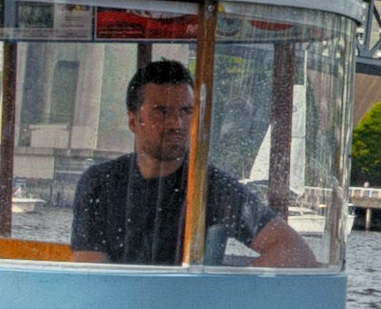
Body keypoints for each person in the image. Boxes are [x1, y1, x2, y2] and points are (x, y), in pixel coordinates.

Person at [69, 59, 315, 268]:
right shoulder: (101, 182)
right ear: (134, 121)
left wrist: (220, 289)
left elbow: (295, 251)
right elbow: (91, 271)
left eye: (186, 111)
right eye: (162, 112)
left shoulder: (212, 188)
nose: (177, 123)